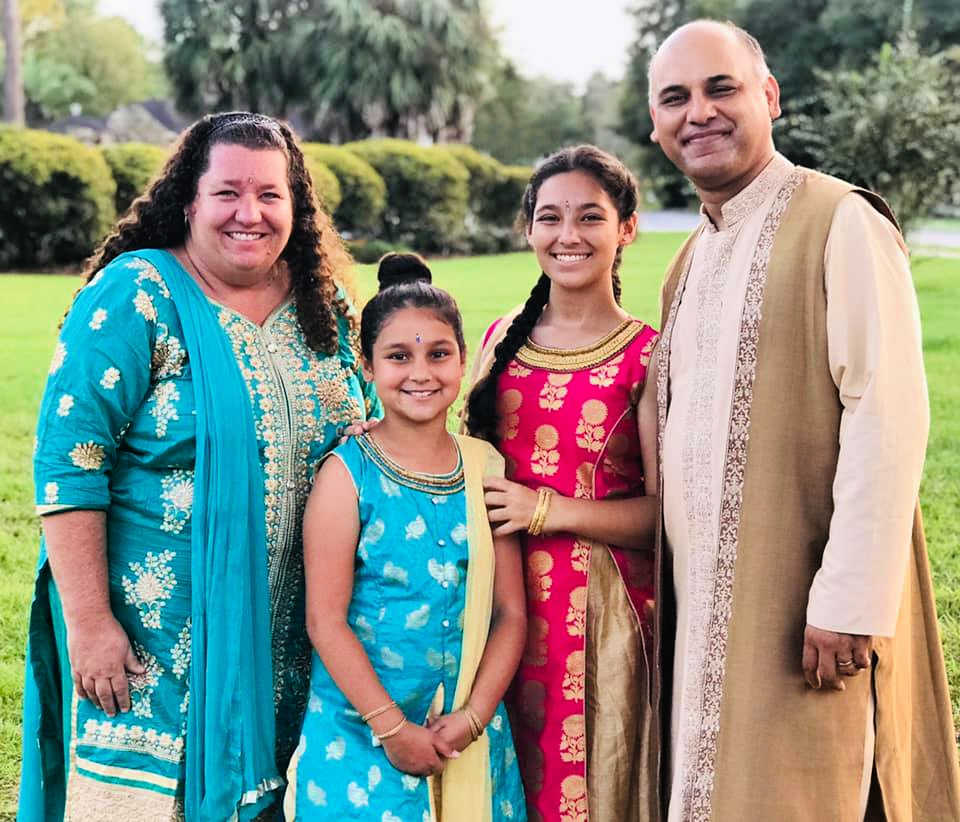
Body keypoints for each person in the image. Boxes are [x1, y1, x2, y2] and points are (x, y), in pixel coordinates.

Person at [19, 111, 382, 821]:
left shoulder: (323, 307)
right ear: (190, 200)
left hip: (299, 642)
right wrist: (90, 623)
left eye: (270, 195)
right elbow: (68, 462)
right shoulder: (137, 294)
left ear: (295, 207)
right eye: (228, 193)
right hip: (152, 652)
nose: (250, 213)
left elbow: (371, 434)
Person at [646, 19, 960, 820]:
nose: (700, 113)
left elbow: (887, 413)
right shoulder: (692, 258)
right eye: (675, 98)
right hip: (708, 601)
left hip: (804, 601)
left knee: (820, 785)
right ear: (655, 124)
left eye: (722, 88)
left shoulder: (838, 219)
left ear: (769, 97)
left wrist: (849, 601)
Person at [284, 252, 527, 820]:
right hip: (361, 732)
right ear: (368, 368)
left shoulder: (486, 469)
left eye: (438, 354)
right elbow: (325, 620)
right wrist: (392, 728)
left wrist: (472, 720)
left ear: (463, 363)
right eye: (398, 356)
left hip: (470, 732)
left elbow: (511, 614)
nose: (421, 372)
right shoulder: (347, 475)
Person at [464, 146, 661, 821]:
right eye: (549, 218)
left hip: (599, 619)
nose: (567, 236)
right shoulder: (497, 341)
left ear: (626, 229)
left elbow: (667, 518)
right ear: (528, 230)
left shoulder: (649, 355)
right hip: (492, 607)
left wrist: (545, 509)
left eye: (589, 217)